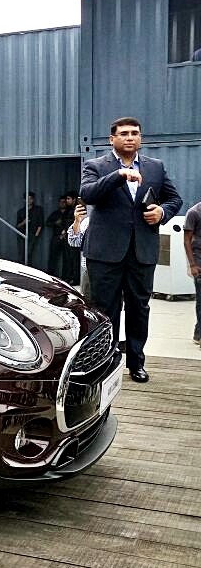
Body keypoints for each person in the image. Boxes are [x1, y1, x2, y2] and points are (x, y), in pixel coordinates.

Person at [80, 117, 182, 383]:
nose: (130, 137)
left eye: (135, 133)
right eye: (124, 133)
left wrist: (162, 212)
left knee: (139, 308)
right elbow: (88, 194)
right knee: (105, 310)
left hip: (142, 251)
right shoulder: (96, 166)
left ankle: (136, 363)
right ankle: (106, 361)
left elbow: (175, 199)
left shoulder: (156, 167)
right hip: (104, 253)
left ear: (140, 138)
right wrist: (119, 176)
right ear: (111, 139)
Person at [184, 199, 201, 347]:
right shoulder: (194, 213)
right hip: (199, 260)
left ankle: (198, 331)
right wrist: (193, 265)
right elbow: (187, 241)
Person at [66, 201, 90, 300]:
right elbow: (74, 241)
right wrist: (77, 221)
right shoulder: (88, 221)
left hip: (113, 269)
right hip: (89, 269)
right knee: (87, 303)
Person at [15, 192, 44, 266]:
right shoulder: (21, 211)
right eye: (27, 199)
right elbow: (17, 226)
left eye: (30, 199)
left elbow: (41, 223)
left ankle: (28, 270)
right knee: (22, 255)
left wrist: (36, 235)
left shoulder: (38, 210)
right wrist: (23, 222)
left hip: (32, 234)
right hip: (22, 235)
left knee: (29, 254)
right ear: (24, 200)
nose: (29, 200)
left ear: (33, 200)